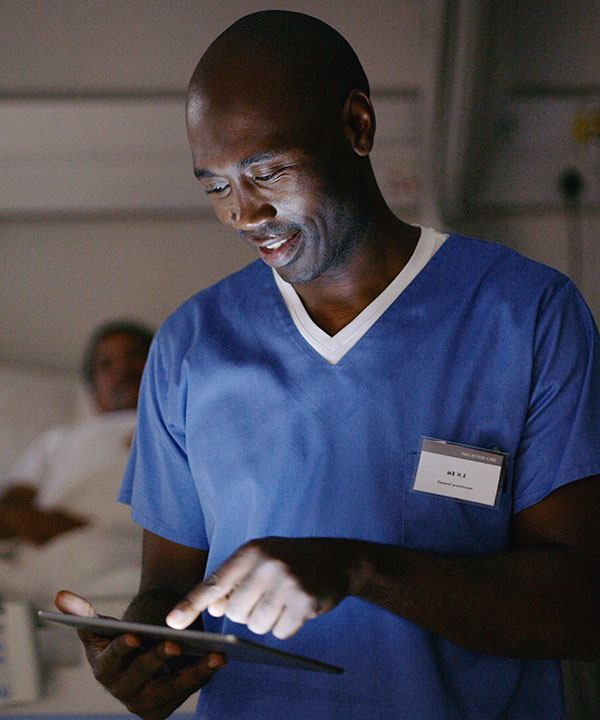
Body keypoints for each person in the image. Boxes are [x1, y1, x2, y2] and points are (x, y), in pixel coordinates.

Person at [55, 11, 600, 720]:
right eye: (215, 187)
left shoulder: (525, 316)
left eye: (267, 171)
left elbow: (581, 608)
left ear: (357, 127)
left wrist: (357, 568)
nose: (243, 214)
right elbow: (169, 587)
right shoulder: (192, 345)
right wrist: (149, 656)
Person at [0, 320, 152, 598]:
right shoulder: (58, 441)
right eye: (106, 364)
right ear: (92, 387)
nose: (123, 369)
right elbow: (12, 507)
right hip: (63, 547)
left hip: (147, 549)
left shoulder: (185, 427)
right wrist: (51, 524)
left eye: (135, 355)